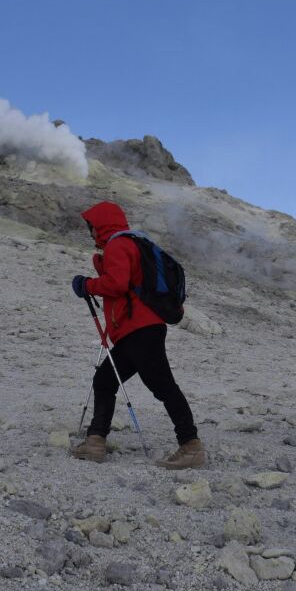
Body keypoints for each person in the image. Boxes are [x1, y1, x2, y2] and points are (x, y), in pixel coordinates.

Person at [69, 201, 206, 469]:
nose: (90, 232)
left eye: (92, 227)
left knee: (163, 386)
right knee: (105, 379)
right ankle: (95, 441)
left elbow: (117, 284)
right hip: (136, 331)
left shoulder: (119, 245)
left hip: (140, 330)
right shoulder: (129, 243)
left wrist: (87, 285)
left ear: (101, 225)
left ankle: (191, 446)